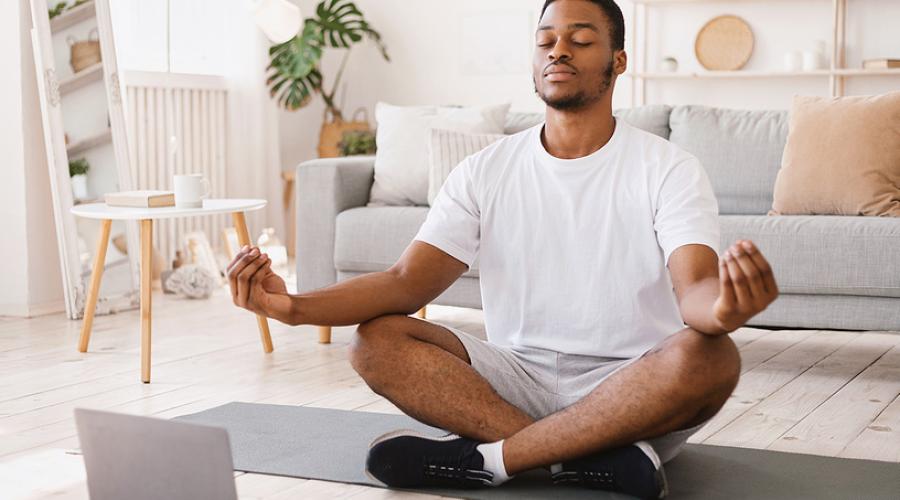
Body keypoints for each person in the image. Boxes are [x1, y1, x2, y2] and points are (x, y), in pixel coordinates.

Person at [226, 0, 779, 497]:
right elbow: (404, 284)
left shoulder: (668, 168)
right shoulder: (486, 169)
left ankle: (494, 460)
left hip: (631, 389)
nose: (558, 49)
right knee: (375, 341)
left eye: (581, 39)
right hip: (512, 379)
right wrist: (292, 308)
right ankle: (585, 460)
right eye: (545, 40)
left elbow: (696, 291)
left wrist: (724, 310)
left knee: (711, 355)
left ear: (619, 62)